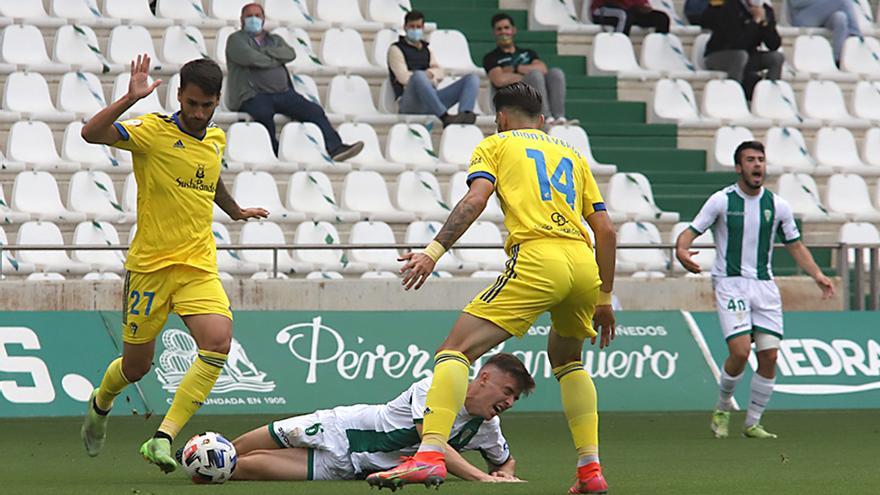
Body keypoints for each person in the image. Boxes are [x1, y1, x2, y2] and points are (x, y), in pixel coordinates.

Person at [365, 82, 618, 494]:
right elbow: (605, 230)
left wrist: (432, 251)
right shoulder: (571, 155)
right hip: (584, 264)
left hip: (538, 258)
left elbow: (473, 202)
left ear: (500, 117)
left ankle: (428, 456)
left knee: (455, 352)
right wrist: (604, 298)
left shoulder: (496, 145)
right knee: (568, 362)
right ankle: (590, 470)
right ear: (541, 120)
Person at [79, 55, 269, 472]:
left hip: (198, 266)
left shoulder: (216, 138)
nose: (199, 114)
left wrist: (234, 210)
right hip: (149, 269)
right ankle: (101, 402)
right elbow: (90, 133)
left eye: (208, 106)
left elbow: (209, 175)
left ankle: (162, 438)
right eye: (192, 103)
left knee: (218, 342)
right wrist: (130, 98)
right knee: (136, 367)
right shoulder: (152, 132)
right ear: (178, 95)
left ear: (217, 101)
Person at [676, 140, 834, 440]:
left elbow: (795, 245)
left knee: (770, 356)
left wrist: (818, 275)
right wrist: (681, 251)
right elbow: (690, 231)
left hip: (765, 286)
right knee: (740, 350)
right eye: (750, 160)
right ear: (739, 167)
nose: (757, 165)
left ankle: (752, 423)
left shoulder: (778, 206)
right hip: (730, 283)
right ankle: (722, 408)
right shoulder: (721, 200)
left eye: (761, 159)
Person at [229, 353, 532, 483]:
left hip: (347, 467)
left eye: (515, 397)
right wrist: (479, 477)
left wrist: (503, 472)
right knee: (234, 449)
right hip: (338, 429)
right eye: (507, 391)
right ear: (484, 378)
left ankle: (209, 468)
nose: (509, 401)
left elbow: (504, 460)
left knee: (243, 469)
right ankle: (200, 453)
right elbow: (433, 443)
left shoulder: (488, 427)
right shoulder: (435, 389)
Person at [226, 3, 363, 160]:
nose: (253, 19)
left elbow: (289, 54)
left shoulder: (274, 39)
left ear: (264, 19)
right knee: (263, 113)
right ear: (242, 19)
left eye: (257, 16)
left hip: (283, 93)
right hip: (252, 94)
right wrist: (275, 59)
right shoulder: (235, 39)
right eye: (249, 15)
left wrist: (265, 52)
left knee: (314, 111)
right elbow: (250, 58)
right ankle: (273, 153)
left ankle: (336, 148)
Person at [388, 10, 481, 127]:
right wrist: (426, 76)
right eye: (412, 26)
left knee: (472, 79)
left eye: (418, 27)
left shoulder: (426, 49)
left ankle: (465, 114)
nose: (415, 30)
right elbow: (403, 77)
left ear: (422, 28)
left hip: (432, 98)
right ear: (405, 27)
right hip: (410, 102)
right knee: (418, 76)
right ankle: (444, 117)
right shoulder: (396, 49)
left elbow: (440, 72)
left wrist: (429, 75)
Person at [483, 13, 570, 126]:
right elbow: (499, 79)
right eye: (499, 29)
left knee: (556, 73)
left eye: (506, 28)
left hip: (530, 92)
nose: (503, 32)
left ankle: (559, 117)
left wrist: (515, 69)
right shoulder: (491, 57)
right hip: (512, 98)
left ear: (513, 30)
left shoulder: (528, 53)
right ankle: (545, 118)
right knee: (535, 75)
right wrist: (528, 77)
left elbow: (543, 69)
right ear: (494, 33)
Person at [702, 0, 783, 100]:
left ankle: (769, 98)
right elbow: (737, 43)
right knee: (740, 56)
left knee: (776, 57)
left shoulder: (766, 10)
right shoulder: (730, 7)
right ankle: (733, 98)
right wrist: (755, 21)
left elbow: (774, 45)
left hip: (748, 56)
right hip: (719, 55)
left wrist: (765, 23)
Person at [788, 0, 861, 64]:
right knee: (841, 0)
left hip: (821, 14)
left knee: (840, 18)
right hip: (802, 17)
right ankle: (855, 36)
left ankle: (837, 59)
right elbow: (796, 3)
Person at [590, 0, 670, 36]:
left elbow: (642, 4)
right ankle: (618, 49)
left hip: (631, 9)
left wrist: (644, 6)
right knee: (624, 16)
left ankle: (659, 55)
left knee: (662, 18)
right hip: (602, 9)